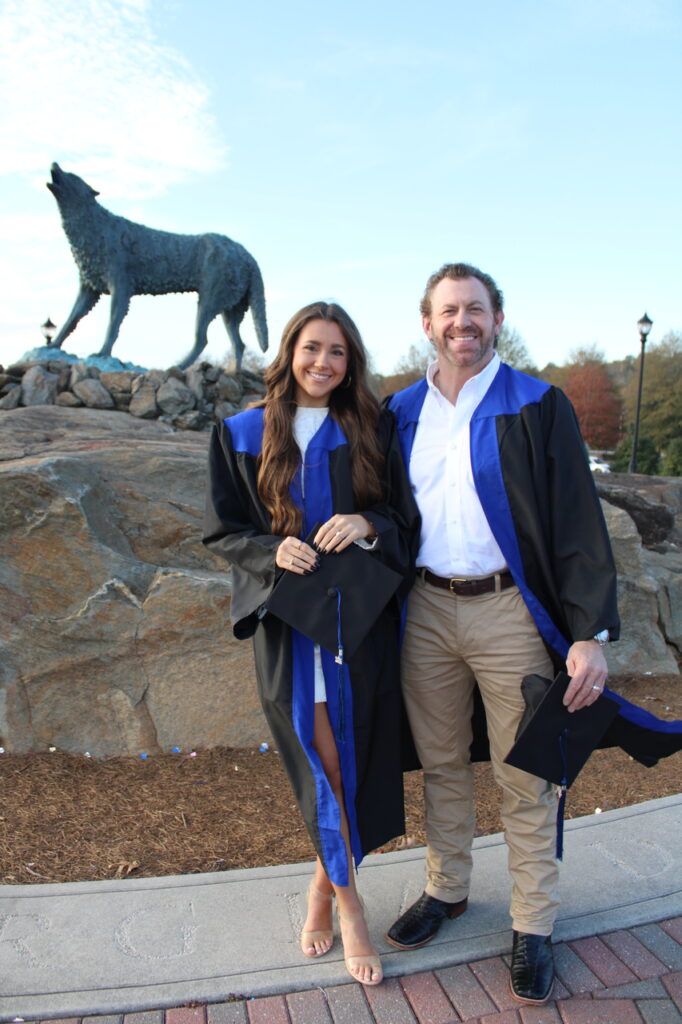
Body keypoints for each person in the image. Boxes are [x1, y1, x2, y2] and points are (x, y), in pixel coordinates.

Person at [385, 263, 620, 1004]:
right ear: (427, 322)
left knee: (527, 771)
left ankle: (532, 923)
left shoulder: (536, 405)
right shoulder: (399, 413)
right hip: (424, 611)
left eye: (476, 310)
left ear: (497, 318)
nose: (463, 322)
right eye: (449, 311)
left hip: (509, 613)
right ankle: (447, 888)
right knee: (441, 760)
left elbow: (577, 520)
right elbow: (381, 511)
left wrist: (590, 632)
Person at [203, 301, 419, 987]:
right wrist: (273, 551)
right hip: (291, 628)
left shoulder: (371, 429)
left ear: (350, 361)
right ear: (289, 350)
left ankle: (323, 889)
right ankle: (351, 907)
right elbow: (224, 533)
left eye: (338, 352)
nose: (323, 363)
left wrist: (363, 521)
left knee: (350, 763)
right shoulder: (242, 433)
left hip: (359, 626)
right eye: (312, 348)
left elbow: (402, 519)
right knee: (323, 760)